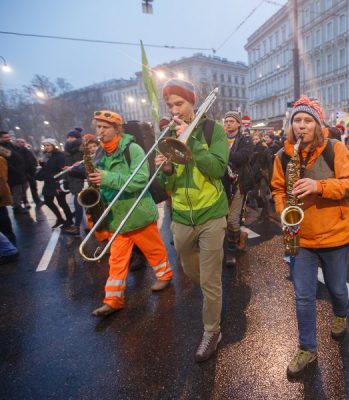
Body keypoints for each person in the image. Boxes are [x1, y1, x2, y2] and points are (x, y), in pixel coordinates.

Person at [271, 96, 349, 377]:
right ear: (291, 126)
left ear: (317, 124)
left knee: (337, 288)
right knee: (303, 297)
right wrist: (284, 210)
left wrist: (319, 186)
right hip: (300, 237)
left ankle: (341, 314)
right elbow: (277, 188)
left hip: (335, 236)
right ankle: (307, 348)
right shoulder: (282, 156)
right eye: (297, 121)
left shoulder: (335, 148)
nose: (302, 126)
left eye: (307, 120)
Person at [155, 79, 229, 362]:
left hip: (211, 213)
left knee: (210, 280)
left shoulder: (213, 131)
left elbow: (218, 168)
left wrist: (193, 141)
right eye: (170, 105)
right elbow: (166, 184)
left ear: (192, 103)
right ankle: (214, 293)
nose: (174, 110)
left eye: (179, 104)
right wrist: (166, 169)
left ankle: (212, 330)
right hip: (183, 217)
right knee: (189, 270)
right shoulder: (167, 134)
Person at [89, 110, 172, 317]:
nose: (100, 131)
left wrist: (107, 178)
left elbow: (140, 180)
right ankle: (113, 300)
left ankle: (165, 275)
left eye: (105, 127)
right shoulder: (100, 152)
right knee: (116, 260)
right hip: (117, 217)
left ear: (117, 129)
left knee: (154, 249)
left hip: (137, 213)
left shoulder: (132, 149)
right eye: (98, 127)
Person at [222, 110, 253, 266]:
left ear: (239, 124)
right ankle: (240, 235)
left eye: (231, 121)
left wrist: (222, 152)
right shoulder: (219, 139)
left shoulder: (245, 138)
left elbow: (242, 157)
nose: (228, 124)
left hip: (238, 184)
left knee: (233, 220)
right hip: (221, 184)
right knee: (221, 220)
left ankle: (231, 252)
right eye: (226, 121)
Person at [35, 138, 74, 229]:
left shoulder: (60, 156)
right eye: (45, 146)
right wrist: (42, 164)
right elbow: (49, 168)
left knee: (62, 203)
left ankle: (69, 220)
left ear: (53, 145)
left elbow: (62, 170)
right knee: (48, 201)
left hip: (57, 183)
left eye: (48, 145)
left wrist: (59, 185)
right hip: (49, 182)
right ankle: (60, 219)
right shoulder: (48, 155)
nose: (46, 147)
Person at [61, 130, 85, 235]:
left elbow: (84, 166)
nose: (70, 139)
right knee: (79, 204)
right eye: (69, 137)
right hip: (72, 179)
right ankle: (80, 225)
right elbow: (66, 166)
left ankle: (77, 227)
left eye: (72, 137)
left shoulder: (82, 150)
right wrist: (65, 179)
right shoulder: (67, 151)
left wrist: (74, 169)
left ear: (77, 138)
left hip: (81, 179)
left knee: (79, 203)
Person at [0, 131, 28, 214]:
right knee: (17, 190)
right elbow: (9, 158)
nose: (8, 138)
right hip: (13, 173)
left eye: (8, 137)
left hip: (19, 171)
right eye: (5, 137)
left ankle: (18, 203)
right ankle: (16, 206)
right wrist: (14, 169)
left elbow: (16, 154)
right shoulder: (1, 148)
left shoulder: (10, 144)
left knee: (23, 187)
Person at [14, 138, 42, 208]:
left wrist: (34, 166)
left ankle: (37, 200)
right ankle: (25, 201)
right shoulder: (15, 152)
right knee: (24, 188)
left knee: (33, 187)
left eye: (23, 142)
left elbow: (32, 159)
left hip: (30, 172)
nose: (22, 144)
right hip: (22, 173)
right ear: (17, 143)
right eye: (21, 142)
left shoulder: (27, 150)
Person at [0, 146, 16, 245]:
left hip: (1, 192)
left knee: (2, 216)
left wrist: (0, 193)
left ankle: (9, 237)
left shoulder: (0, 160)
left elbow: (1, 178)